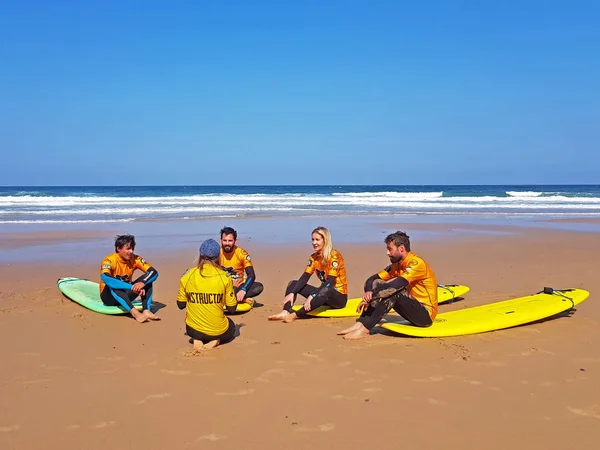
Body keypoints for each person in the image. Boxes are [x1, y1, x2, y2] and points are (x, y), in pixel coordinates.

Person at [338, 231, 437, 340]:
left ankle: (365, 329)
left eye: (390, 249)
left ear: (401, 249)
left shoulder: (416, 263)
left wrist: (371, 298)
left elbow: (397, 285)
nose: (387, 253)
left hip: (425, 315)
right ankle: (361, 323)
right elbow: (372, 280)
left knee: (395, 292)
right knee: (378, 284)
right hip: (412, 308)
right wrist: (368, 293)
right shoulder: (397, 265)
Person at [268, 226, 348, 323]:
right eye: (312, 240)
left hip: (339, 298)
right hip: (323, 294)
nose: (314, 243)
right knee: (293, 284)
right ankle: (286, 311)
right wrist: (292, 293)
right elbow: (305, 277)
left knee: (327, 289)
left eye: (317, 240)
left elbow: (329, 282)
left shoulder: (334, 256)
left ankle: (295, 315)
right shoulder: (314, 257)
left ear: (325, 240)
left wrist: (313, 295)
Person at [177, 238, 238, 352]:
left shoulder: (187, 275)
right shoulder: (224, 276)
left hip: (192, 330)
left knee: (193, 323)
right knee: (232, 326)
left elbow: (180, 305)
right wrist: (232, 290)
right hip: (218, 330)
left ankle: (197, 339)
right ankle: (215, 340)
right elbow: (232, 308)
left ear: (200, 255)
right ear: (218, 256)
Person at [100, 234, 160, 323]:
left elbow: (154, 273)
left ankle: (146, 311)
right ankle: (135, 313)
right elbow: (106, 278)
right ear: (118, 249)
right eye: (128, 249)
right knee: (113, 284)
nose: (131, 251)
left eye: (132, 249)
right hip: (109, 298)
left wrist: (142, 283)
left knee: (147, 279)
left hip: (126, 294)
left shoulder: (135, 259)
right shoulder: (108, 260)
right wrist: (132, 287)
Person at [219, 226, 264, 305]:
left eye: (230, 241)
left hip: (239, 285)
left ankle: (229, 298)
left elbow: (251, 275)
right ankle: (240, 299)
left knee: (259, 287)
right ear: (221, 240)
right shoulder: (216, 254)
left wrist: (243, 289)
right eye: (224, 240)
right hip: (222, 286)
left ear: (235, 241)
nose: (227, 243)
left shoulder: (242, 253)